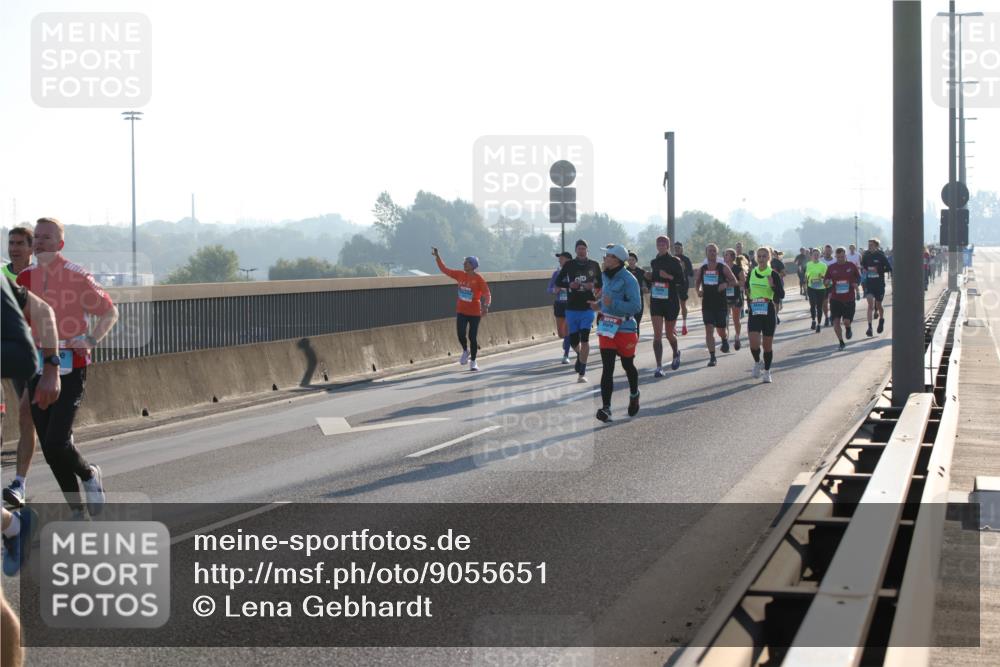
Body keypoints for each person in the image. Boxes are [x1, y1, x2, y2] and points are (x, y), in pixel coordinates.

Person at [17, 218, 118, 516]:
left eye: (47, 238)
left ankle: (88, 475)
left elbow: (109, 312)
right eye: (37, 237)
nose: (39, 242)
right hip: (37, 366)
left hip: (72, 364)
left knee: (57, 441)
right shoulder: (25, 278)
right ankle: (76, 510)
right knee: (49, 449)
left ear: (60, 244)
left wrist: (90, 339)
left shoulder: (77, 276)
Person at [3, 227, 38, 509]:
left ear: (31, 248)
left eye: (19, 243)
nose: (14, 248)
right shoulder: (3, 275)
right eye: (10, 243)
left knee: (31, 415)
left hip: (41, 353)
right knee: (25, 414)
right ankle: (20, 484)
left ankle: (66, 450)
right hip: (13, 354)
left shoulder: (42, 276)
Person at [592, 245, 642, 422]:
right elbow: (605, 301)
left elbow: (636, 307)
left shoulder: (630, 280)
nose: (604, 258)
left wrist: (613, 303)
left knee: (628, 365)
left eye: (608, 256)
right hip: (607, 327)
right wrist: (598, 305)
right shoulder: (605, 277)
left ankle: (634, 394)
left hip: (625, 328)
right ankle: (606, 408)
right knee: (608, 368)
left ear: (617, 260)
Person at [433, 247, 491, 371]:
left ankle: (474, 361)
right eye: (464, 262)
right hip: (461, 311)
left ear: (473, 265)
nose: (464, 264)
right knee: (460, 334)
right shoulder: (459, 275)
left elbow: (487, 293)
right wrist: (438, 257)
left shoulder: (479, 279)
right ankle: (466, 350)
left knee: (472, 337)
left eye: (467, 262)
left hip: (475, 312)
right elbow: (445, 270)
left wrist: (486, 306)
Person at [554, 239, 603, 383]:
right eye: (579, 248)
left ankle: (582, 372)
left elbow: (600, 282)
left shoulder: (594, 265)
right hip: (572, 307)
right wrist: (569, 284)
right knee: (574, 341)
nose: (581, 251)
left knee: (585, 338)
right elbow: (558, 282)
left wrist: (591, 285)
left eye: (584, 248)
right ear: (576, 250)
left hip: (588, 306)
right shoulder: (569, 265)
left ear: (587, 250)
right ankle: (581, 357)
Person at [644, 235, 685, 377]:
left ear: (668, 246)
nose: (661, 246)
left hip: (671, 301)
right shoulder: (654, 262)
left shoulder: (674, 261)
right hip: (657, 300)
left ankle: (676, 352)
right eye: (659, 244)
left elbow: (681, 280)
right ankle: (659, 367)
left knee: (668, 334)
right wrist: (649, 278)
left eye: (663, 244)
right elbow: (654, 281)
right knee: (657, 336)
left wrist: (668, 276)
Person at [695, 244, 738, 367]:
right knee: (709, 330)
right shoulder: (702, 269)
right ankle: (712, 357)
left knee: (720, 329)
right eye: (710, 251)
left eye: (714, 251)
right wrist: (698, 291)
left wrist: (725, 285)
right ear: (706, 253)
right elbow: (697, 283)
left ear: (717, 253)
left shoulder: (722, 267)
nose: (712, 253)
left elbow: (734, 281)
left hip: (720, 303)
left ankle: (724, 339)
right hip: (707, 303)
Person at [745, 247, 780, 383]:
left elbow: (780, 294)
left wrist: (772, 286)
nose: (761, 259)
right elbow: (747, 287)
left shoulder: (773, 274)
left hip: (768, 311)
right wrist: (749, 297)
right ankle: (757, 362)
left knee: (767, 346)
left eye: (764, 256)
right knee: (753, 343)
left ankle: (767, 371)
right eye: (759, 256)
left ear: (769, 258)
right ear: (756, 258)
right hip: (755, 310)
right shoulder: (752, 272)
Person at [826, 246, 862, 350]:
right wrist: (827, 282)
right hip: (835, 299)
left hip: (849, 299)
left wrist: (856, 284)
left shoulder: (851, 265)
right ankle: (841, 342)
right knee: (835, 322)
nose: (840, 259)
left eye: (842, 257)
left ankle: (848, 328)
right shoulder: (831, 267)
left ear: (845, 256)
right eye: (838, 257)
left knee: (846, 321)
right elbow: (826, 280)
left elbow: (859, 277)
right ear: (835, 257)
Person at [861, 238, 891, 337]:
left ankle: (881, 319)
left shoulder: (881, 256)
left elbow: (889, 268)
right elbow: (864, 266)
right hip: (870, 283)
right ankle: (869, 327)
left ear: (876, 246)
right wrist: (865, 270)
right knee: (870, 304)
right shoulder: (866, 256)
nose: (869, 246)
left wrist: (880, 270)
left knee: (878, 305)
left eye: (872, 245)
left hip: (879, 284)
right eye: (869, 244)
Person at [548, 252, 573, 364]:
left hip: (571, 304)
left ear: (568, 260)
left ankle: (566, 354)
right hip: (559, 304)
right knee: (561, 333)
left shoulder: (574, 273)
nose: (559, 261)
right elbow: (548, 288)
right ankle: (567, 340)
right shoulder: (556, 273)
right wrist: (555, 290)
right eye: (559, 259)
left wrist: (568, 289)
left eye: (562, 259)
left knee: (567, 330)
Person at [723, 248, 747, 351]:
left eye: (727, 255)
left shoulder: (737, 269)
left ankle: (737, 337)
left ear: (732, 257)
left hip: (736, 296)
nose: (725, 256)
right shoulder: (721, 268)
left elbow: (743, 282)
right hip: (724, 297)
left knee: (735, 319)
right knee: (725, 320)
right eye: (724, 255)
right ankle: (726, 340)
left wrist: (732, 283)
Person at [804, 248, 828, 333]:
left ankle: (819, 324)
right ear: (812, 256)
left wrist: (821, 276)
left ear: (820, 255)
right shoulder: (808, 264)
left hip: (821, 288)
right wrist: (805, 286)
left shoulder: (823, 265)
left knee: (819, 307)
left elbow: (826, 278)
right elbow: (806, 275)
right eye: (814, 254)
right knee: (812, 305)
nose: (816, 256)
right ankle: (813, 320)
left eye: (817, 254)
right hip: (811, 287)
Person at [673, 241, 694, 336]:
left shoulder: (686, 259)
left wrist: (684, 268)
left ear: (682, 249)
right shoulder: (672, 259)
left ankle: (684, 325)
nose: (677, 249)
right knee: (673, 306)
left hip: (683, 285)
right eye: (675, 247)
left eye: (678, 247)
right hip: (673, 284)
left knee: (682, 304)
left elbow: (691, 273)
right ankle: (673, 326)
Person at [625, 251, 647, 335]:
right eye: (629, 260)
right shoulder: (625, 272)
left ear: (636, 261)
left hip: (638, 299)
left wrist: (645, 288)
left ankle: (635, 339)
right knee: (630, 322)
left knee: (637, 322)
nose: (631, 261)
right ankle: (629, 339)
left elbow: (648, 282)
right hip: (627, 300)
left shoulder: (641, 271)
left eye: (632, 260)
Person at [820, 244, 836, 326]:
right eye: (826, 251)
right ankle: (826, 317)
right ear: (824, 251)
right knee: (824, 303)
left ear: (832, 251)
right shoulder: (821, 260)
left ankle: (832, 315)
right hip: (823, 285)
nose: (827, 252)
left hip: (833, 284)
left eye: (829, 251)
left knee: (832, 301)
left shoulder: (835, 260)